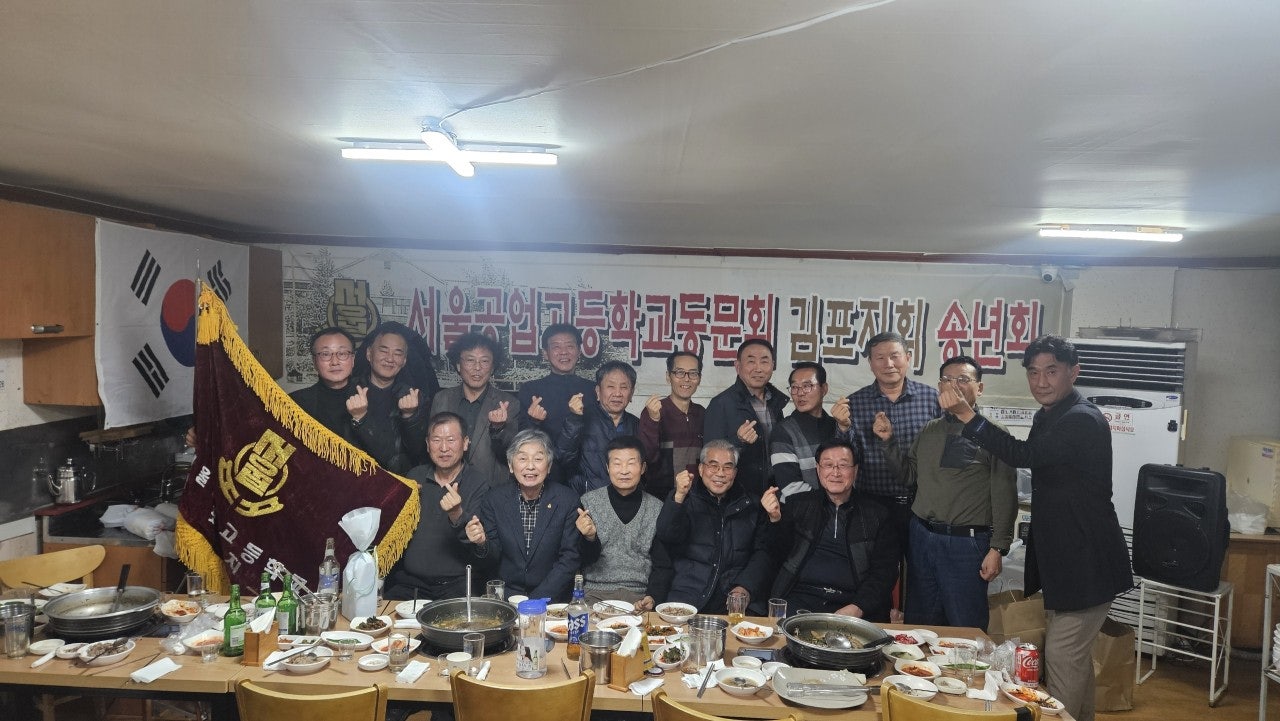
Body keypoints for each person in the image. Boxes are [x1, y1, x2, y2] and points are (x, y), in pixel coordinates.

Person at [943, 335, 1132, 721]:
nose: (1041, 381)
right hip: (1069, 560)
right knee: (1073, 659)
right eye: (1033, 372)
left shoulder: (1081, 419)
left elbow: (1023, 454)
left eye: (1051, 371)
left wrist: (966, 415)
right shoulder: (1051, 414)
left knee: (1062, 657)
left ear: (1073, 372)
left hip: (1088, 561)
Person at [876, 355, 1017, 630]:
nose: (953, 385)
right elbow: (908, 476)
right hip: (922, 537)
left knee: (965, 625)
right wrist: (888, 442)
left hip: (966, 543)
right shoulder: (930, 429)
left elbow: (1005, 494)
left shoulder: (993, 433)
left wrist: (998, 548)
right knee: (920, 623)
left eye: (963, 379)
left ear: (979, 388)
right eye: (947, 380)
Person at [760, 439, 899, 620]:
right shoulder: (798, 505)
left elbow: (885, 572)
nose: (835, 472)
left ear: (855, 470)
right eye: (828, 465)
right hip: (800, 598)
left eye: (843, 465)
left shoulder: (878, 514)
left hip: (852, 603)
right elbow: (776, 553)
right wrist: (775, 520)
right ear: (818, 470)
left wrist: (858, 607)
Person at [834, 332, 942, 553]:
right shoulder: (855, 403)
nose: (889, 364)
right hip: (872, 503)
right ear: (870, 363)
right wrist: (843, 427)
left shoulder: (932, 399)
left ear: (908, 358)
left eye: (894, 356)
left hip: (922, 503)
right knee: (878, 565)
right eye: (880, 358)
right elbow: (849, 456)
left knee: (920, 565)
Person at [654, 439, 773, 613]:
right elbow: (666, 535)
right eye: (713, 466)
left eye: (727, 467)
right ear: (701, 469)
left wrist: (745, 586)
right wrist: (678, 496)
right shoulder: (685, 499)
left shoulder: (752, 505)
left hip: (733, 598)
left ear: (735, 472)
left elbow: (764, 553)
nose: (720, 473)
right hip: (688, 597)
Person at [462, 429, 581, 601]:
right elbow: (492, 557)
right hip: (506, 597)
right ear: (511, 466)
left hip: (552, 599)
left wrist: (536, 600)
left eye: (538, 459)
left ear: (549, 466)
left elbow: (569, 559)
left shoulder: (567, 500)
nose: (530, 466)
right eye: (523, 458)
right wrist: (481, 543)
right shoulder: (494, 499)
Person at [384, 412, 492, 600]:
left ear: (465, 443)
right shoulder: (414, 477)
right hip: (411, 585)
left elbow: (481, 549)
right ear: (427, 444)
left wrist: (457, 513)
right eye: (436, 440)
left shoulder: (478, 482)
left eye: (451, 440)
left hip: (458, 586)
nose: (443, 448)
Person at [575, 436, 670, 610]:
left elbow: (663, 564)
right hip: (595, 593)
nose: (624, 471)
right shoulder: (589, 503)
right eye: (617, 464)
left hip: (639, 596)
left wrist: (653, 596)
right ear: (607, 468)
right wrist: (589, 538)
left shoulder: (657, 508)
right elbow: (581, 559)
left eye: (631, 463)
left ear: (643, 468)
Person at [428, 333, 521, 484]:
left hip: (491, 488)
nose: (477, 367)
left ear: (492, 368)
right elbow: (432, 444)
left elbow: (513, 452)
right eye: (470, 360)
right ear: (459, 365)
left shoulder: (508, 403)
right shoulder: (442, 399)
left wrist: (498, 429)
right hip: (447, 485)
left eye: (484, 361)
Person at [350, 322, 440, 473]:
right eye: (383, 351)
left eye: (397, 353)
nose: (390, 359)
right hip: (354, 478)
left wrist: (410, 417)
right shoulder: (349, 391)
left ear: (404, 361)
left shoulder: (416, 397)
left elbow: (419, 452)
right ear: (369, 354)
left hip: (398, 480)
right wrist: (359, 417)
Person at [703, 339, 788, 499]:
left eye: (764, 361)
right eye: (751, 361)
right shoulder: (721, 404)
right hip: (737, 496)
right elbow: (709, 455)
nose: (758, 368)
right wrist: (739, 440)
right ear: (737, 366)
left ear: (772, 365)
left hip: (773, 493)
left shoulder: (776, 401)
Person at [517, 323, 595, 485]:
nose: (564, 352)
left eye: (570, 346)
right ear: (545, 353)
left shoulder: (593, 389)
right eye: (556, 347)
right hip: (545, 476)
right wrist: (533, 422)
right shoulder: (530, 390)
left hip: (586, 476)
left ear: (579, 351)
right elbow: (520, 441)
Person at [556, 360, 641, 495]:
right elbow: (563, 458)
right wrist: (574, 419)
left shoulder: (637, 425)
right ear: (598, 391)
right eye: (611, 386)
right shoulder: (580, 419)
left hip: (626, 500)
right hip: (586, 500)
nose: (617, 393)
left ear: (631, 393)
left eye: (624, 387)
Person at [636, 350, 706, 501]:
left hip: (697, 498)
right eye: (679, 372)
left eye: (693, 373)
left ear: (699, 379)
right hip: (661, 498)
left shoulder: (702, 413)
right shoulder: (654, 411)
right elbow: (647, 457)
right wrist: (653, 420)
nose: (686, 379)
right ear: (668, 377)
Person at [770, 362, 839, 502]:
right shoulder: (783, 431)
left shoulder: (837, 426)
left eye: (807, 386)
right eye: (794, 387)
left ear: (824, 389)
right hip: (801, 511)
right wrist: (831, 506)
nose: (800, 393)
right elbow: (790, 487)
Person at [287, 326, 360, 439]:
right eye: (325, 354)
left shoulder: (371, 397)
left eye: (342, 353)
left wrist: (361, 418)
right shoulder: (294, 403)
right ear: (314, 362)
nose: (334, 362)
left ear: (353, 359)